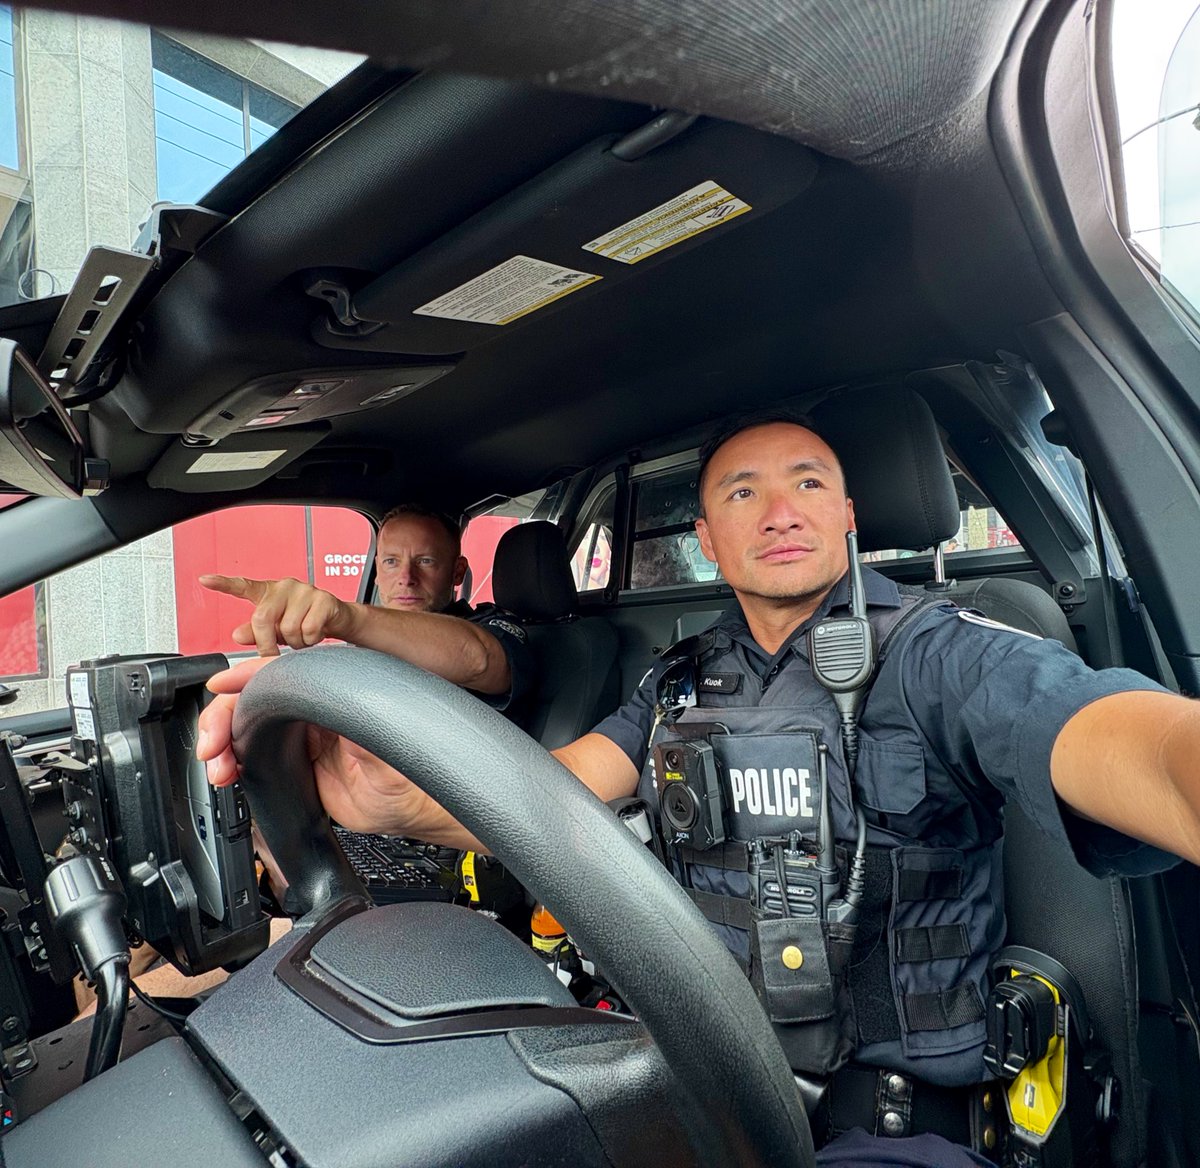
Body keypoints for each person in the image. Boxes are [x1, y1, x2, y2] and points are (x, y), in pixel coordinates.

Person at [198, 418, 1200, 1163]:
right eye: (741, 492)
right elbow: (550, 802)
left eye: (810, 481)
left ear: (849, 518)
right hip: (692, 1087)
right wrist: (395, 802)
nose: (781, 508)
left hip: (889, 1132)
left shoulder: (949, 654)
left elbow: (1143, 748)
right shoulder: (676, 681)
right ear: (708, 542)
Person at [199, 503, 536, 788]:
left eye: (425, 561)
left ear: (457, 571)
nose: (406, 577)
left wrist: (348, 617)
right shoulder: (363, 652)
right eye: (391, 561)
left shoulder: (490, 629)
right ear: (376, 570)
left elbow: (477, 658)